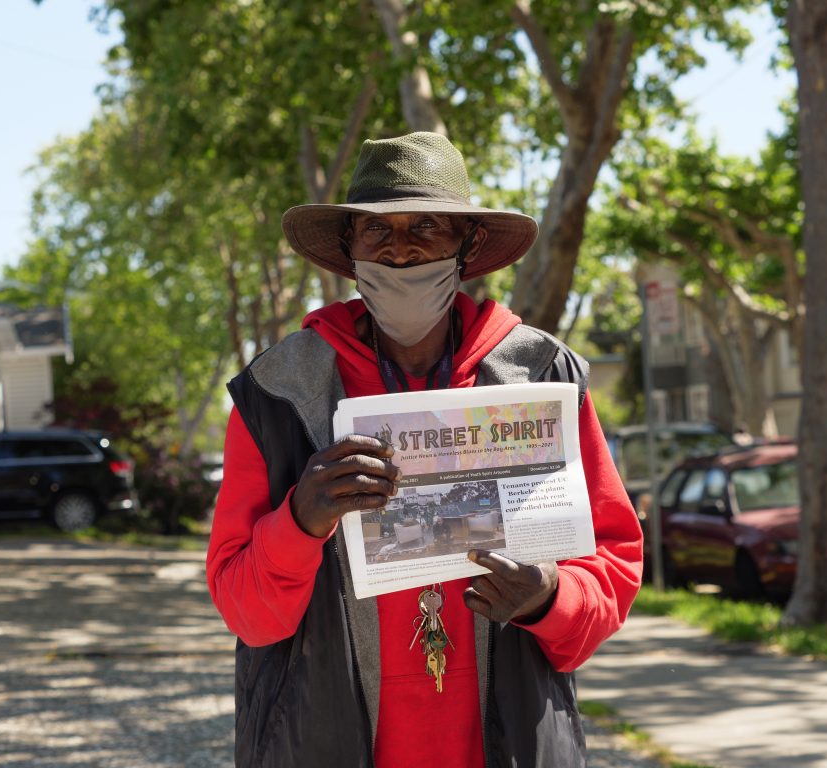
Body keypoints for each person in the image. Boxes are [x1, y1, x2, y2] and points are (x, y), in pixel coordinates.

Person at [206, 132, 643, 768]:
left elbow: (614, 570)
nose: (402, 248)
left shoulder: (543, 376)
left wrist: (551, 596)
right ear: (349, 249)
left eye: (428, 226)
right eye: (377, 229)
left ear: (467, 246)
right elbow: (247, 611)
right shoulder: (276, 394)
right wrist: (300, 521)